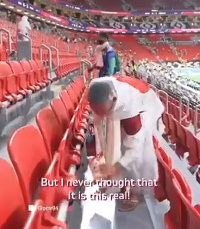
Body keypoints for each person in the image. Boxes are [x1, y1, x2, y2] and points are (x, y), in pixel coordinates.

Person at [88, 76, 164, 211]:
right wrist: (103, 156)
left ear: (113, 99)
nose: (103, 116)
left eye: (105, 112)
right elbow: (101, 129)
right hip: (121, 106)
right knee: (115, 145)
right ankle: (115, 183)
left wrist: (114, 167)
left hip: (145, 107)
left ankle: (137, 192)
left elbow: (134, 150)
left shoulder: (130, 110)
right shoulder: (96, 89)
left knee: (139, 154)